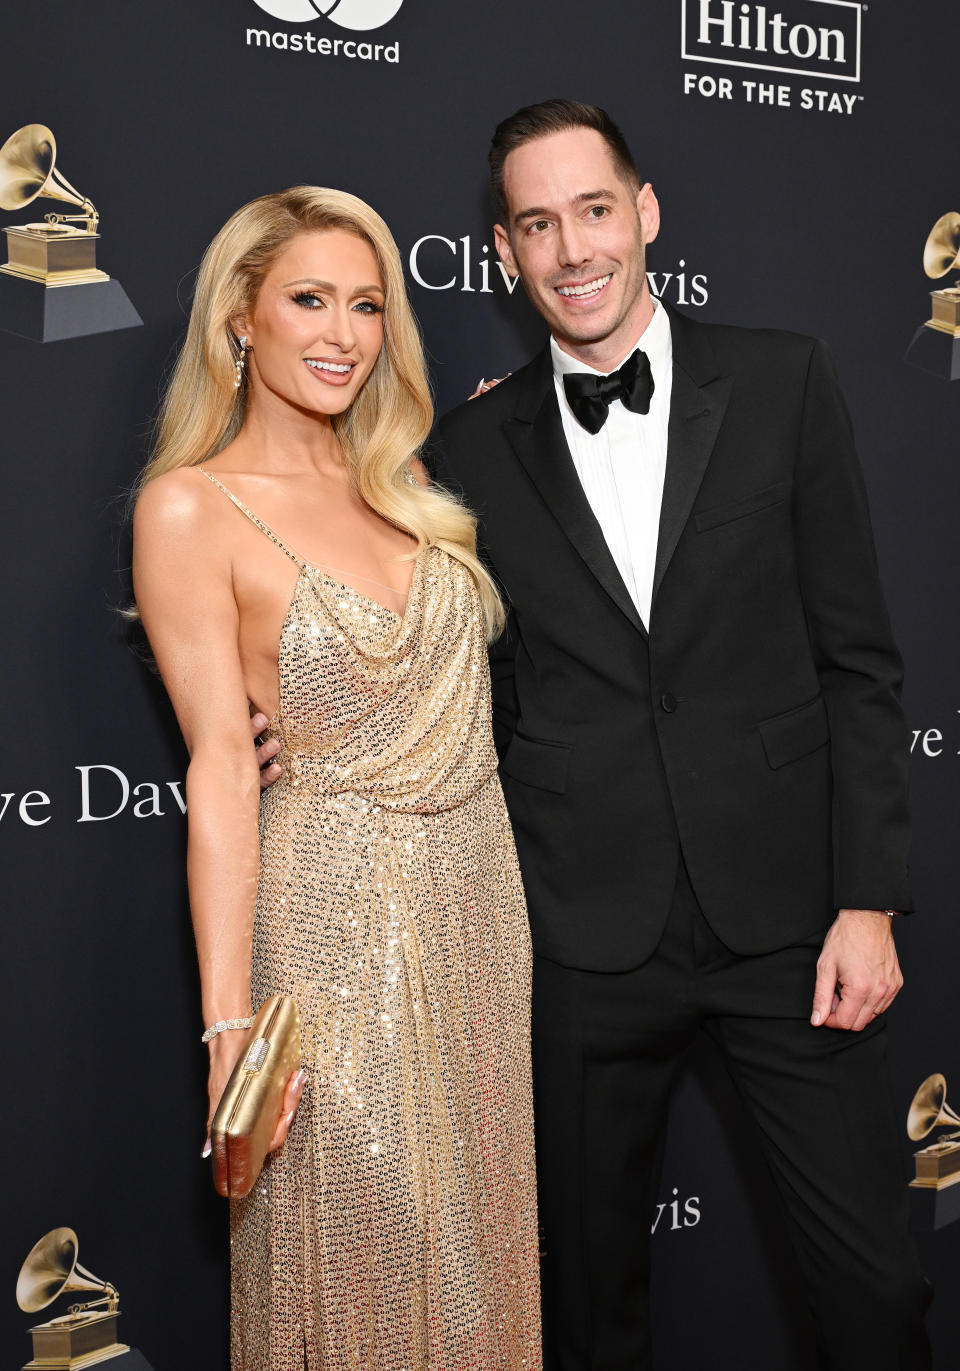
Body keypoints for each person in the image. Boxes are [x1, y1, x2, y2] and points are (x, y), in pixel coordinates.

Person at [425, 101, 931, 1371]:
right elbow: (444, 684)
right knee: (584, 1310)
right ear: (505, 253)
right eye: (538, 225)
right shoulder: (466, 449)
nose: (573, 249)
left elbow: (860, 662)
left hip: (791, 927)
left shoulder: (783, 379)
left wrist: (867, 898)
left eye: (594, 211)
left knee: (874, 1287)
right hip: (583, 938)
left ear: (644, 215)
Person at [132, 185, 541, 1371]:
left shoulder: (410, 491)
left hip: (480, 918)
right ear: (241, 319)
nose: (344, 332)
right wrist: (227, 1028)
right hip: (330, 930)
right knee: (354, 1264)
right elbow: (219, 765)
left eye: (368, 304)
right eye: (310, 298)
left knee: (479, 1276)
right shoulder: (189, 508)